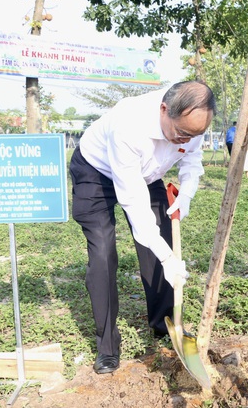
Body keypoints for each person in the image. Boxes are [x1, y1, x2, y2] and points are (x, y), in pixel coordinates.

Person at [69, 81, 216, 374]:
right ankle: (107, 347)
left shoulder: (193, 125)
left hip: (148, 176)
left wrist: (186, 193)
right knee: (102, 254)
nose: (186, 140)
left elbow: (192, 159)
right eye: (182, 133)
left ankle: (164, 323)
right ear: (164, 110)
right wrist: (167, 257)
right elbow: (133, 200)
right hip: (96, 172)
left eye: (195, 134)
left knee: (161, 237)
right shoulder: (128, 124)